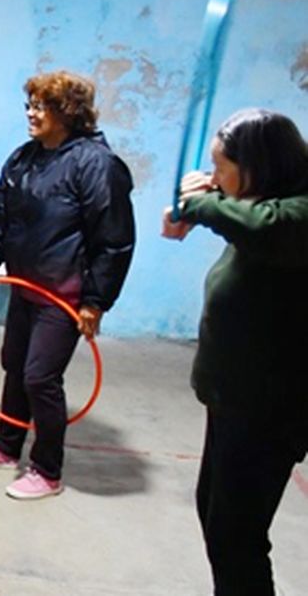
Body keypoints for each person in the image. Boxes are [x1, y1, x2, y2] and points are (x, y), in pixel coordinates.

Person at [0, 71, 135, 500]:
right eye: (29, 105)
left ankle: (48, 471)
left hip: (64, 297)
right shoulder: (23, 158)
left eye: (41, 107)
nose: (31, 114)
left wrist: (95, 302)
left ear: (67, 113)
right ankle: (5, 445)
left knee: (39, 377)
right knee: (14, 364)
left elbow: (114, 240)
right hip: (26, 286)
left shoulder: (96, 164)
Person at [161, 108, 308, 594]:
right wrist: (204, 201)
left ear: (260, 166)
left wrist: (196, 205)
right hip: (233, 399)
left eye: (223, 167)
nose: (216, 177)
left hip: (270, 407)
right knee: (217, 516)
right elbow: (244, 218)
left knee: (237, 535)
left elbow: (262, 227)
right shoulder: (266, 204)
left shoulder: (296, 214)